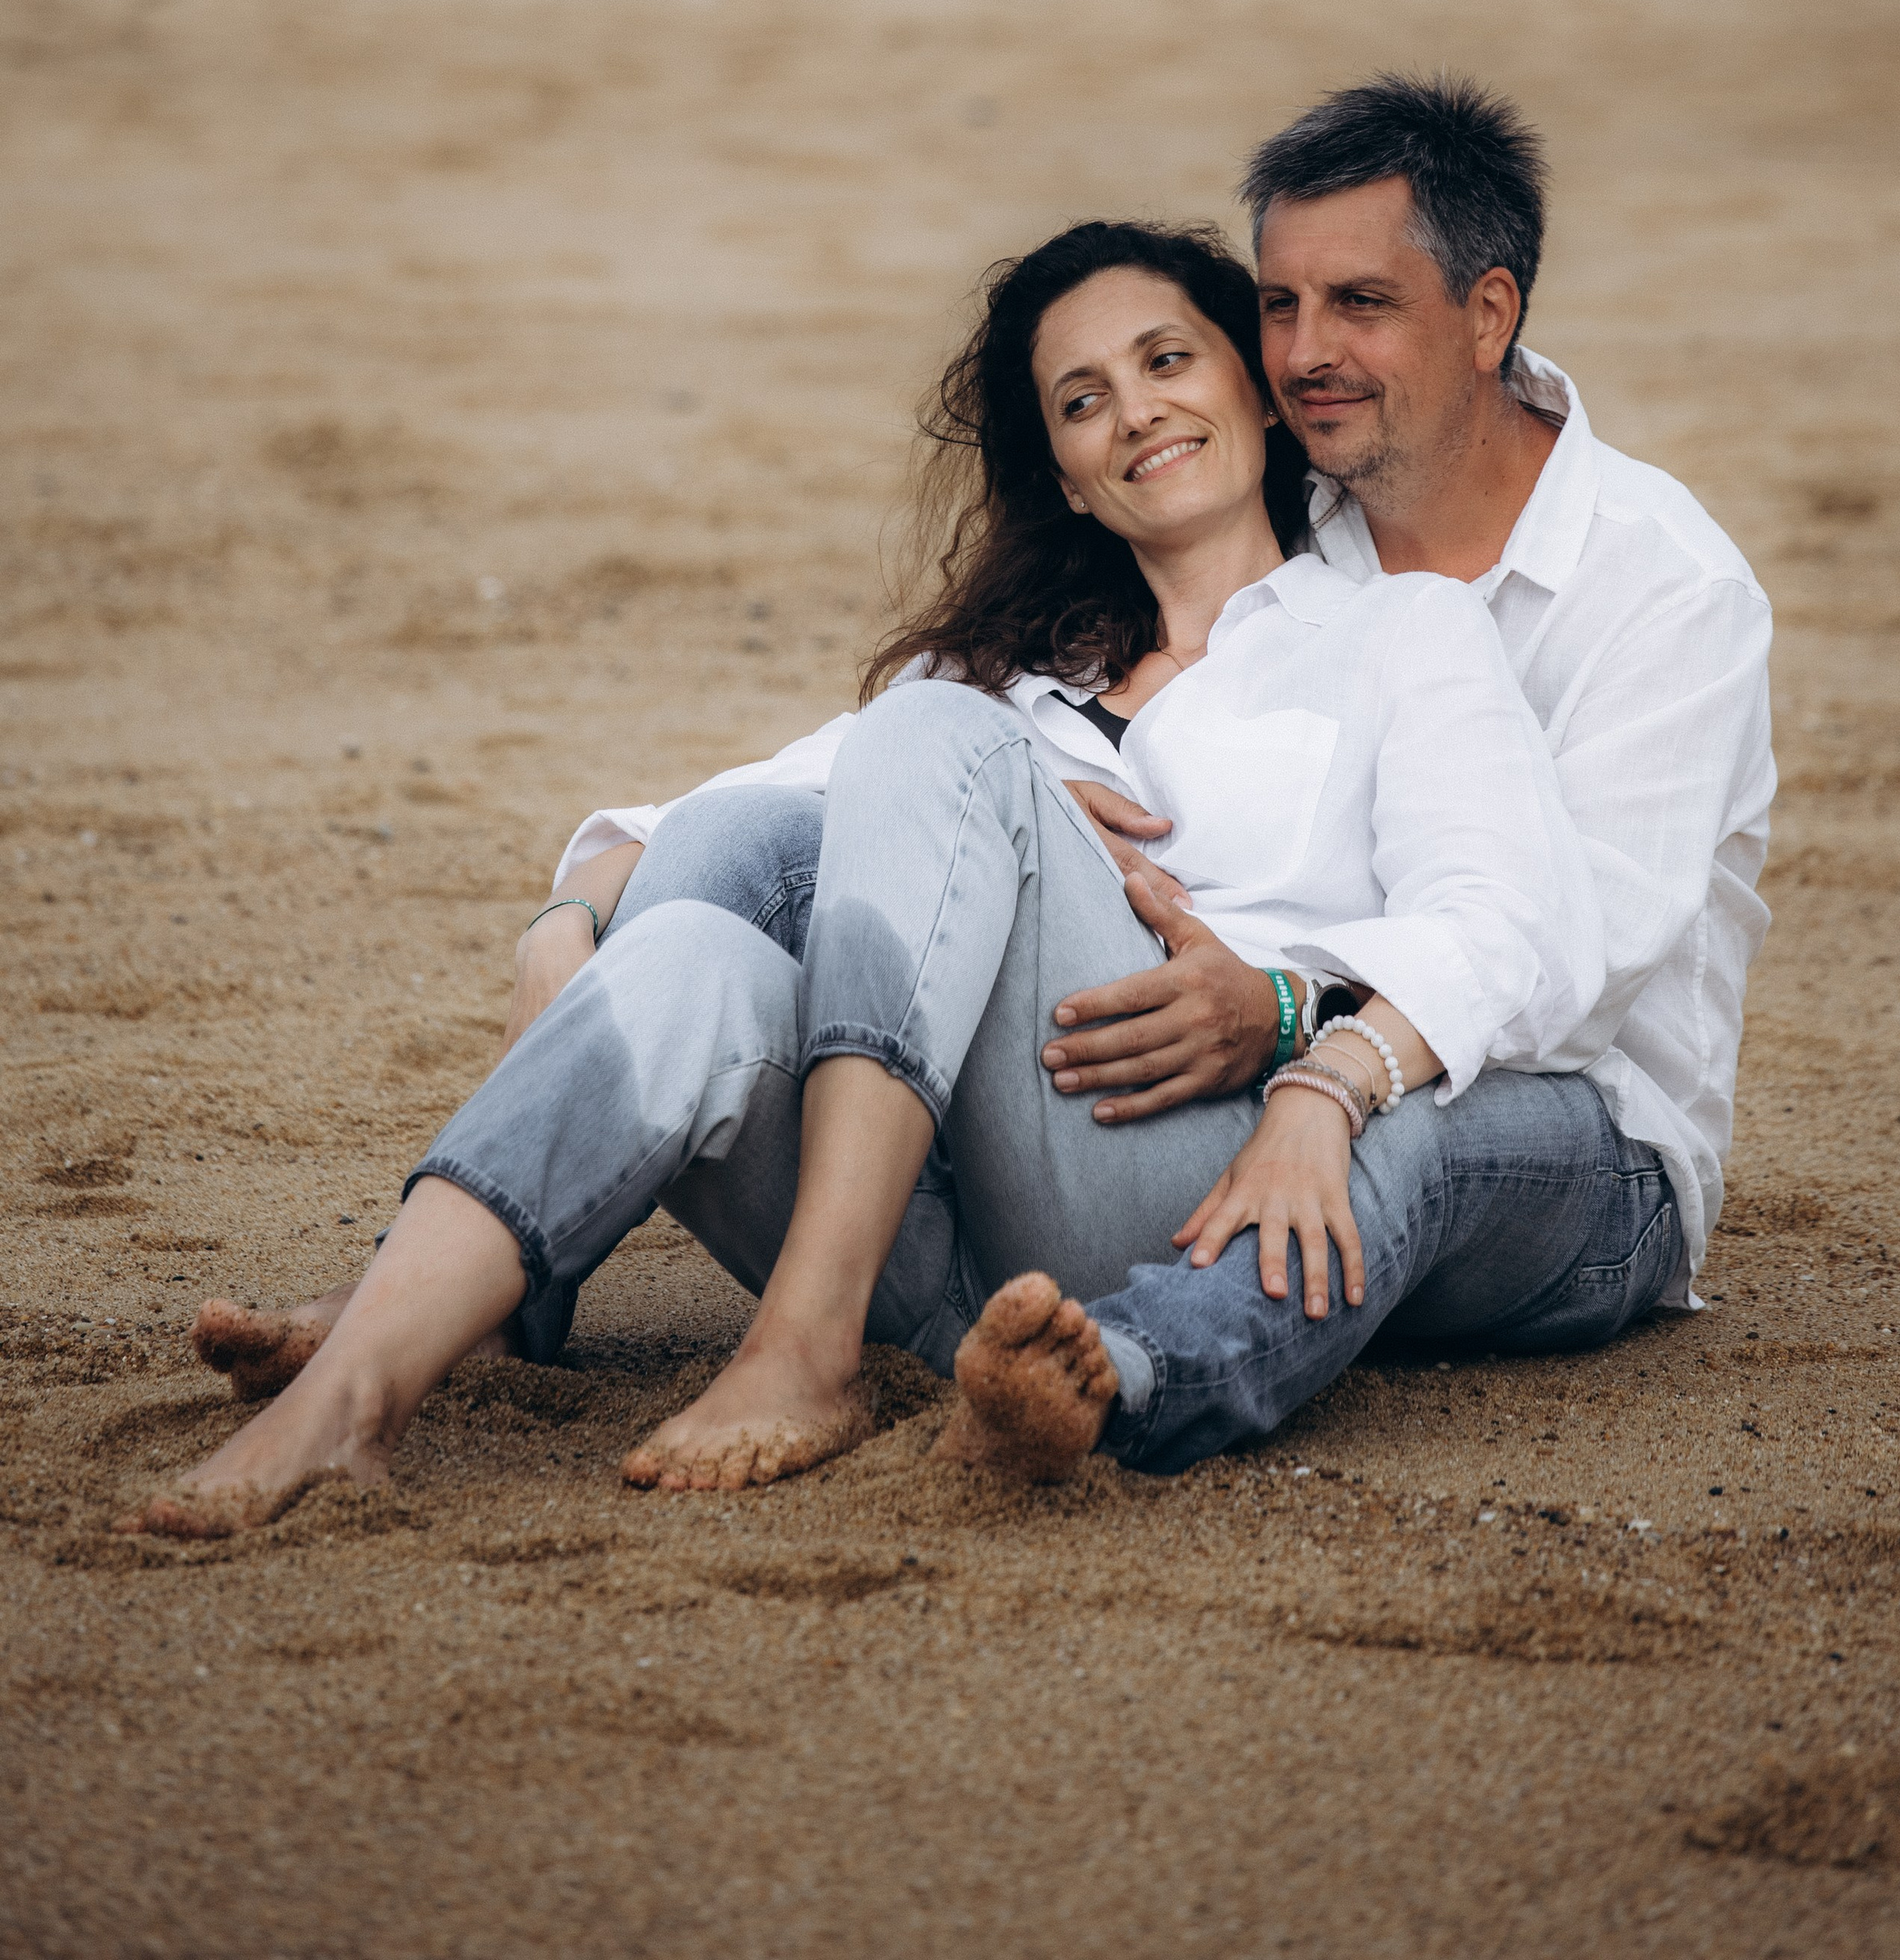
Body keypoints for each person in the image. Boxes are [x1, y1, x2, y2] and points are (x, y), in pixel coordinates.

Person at [136, 209, 1637, 1532]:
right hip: (964, 1271)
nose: (1139, 413)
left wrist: (1305, 1029)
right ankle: (357, 1392)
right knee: (701, 939)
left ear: (1250, 384)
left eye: (1170, 361)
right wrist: (568, 916)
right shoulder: (998, 684)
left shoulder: (1397, 634)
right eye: (1083, 399)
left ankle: (799, 1344)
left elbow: (1513, 921)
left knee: (914, 745)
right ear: (1058, 471)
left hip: (1177, 1165)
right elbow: (700, 826)